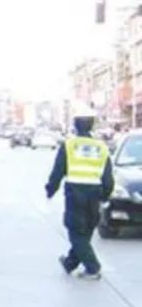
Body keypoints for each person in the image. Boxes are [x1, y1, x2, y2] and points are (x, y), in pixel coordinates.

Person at [45, 103, 114, 279]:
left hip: (75, 193)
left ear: (75, 124)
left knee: (76, 231)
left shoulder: (69, 145)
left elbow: (58, 171)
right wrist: (106, 195)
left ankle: (92, 267)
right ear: (92, 124)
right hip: (94, 194)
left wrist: (50, 189)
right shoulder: (101, 147)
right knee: (87, 228)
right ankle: (70, 262)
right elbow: (108, 177)